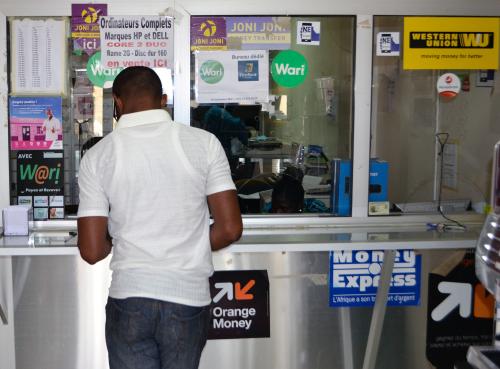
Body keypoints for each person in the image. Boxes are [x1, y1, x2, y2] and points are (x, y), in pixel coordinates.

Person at [77, 66, 242, 369]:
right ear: (164, 100)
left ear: (118, 102)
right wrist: (190, 243)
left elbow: (90, 250)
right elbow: (230, 229)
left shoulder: (97, 157)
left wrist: (116, 240)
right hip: (188, 297)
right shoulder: (204, 143)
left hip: (130, 296)